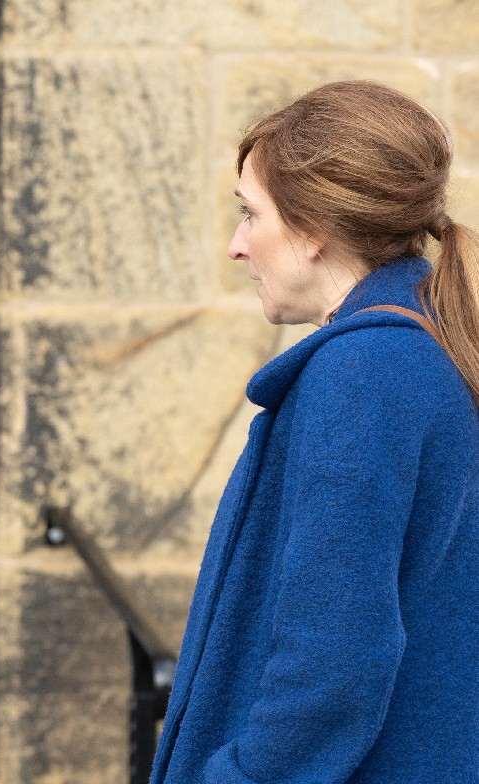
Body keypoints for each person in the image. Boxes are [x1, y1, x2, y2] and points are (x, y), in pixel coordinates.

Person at [151, 80, 479, 782]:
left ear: (313, 229)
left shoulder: (364, 373)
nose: (238, 247)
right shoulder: (422, 350)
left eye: (251, 215)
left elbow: (334, 662)